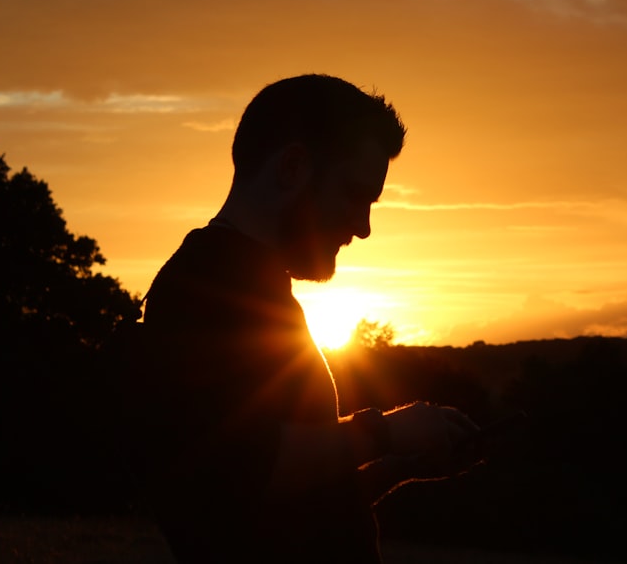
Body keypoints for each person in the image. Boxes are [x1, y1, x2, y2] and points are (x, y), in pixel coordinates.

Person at [126, 74, 482, 563]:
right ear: (293, 167)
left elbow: (289, 498)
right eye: (354, 194)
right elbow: (241, 467)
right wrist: (387, 431)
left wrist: (402, 463)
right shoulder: (208, 284)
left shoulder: (251, 286)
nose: (363, 227)